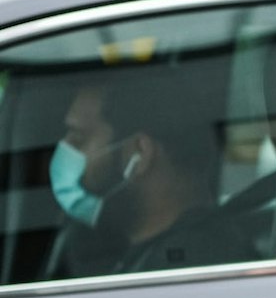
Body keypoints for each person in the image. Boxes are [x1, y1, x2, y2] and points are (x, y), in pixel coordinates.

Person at [50, 65, 254, 275]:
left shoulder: (187, 271)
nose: (65, 151)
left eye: (80, 139)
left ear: (139, 153)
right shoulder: (166, 255)